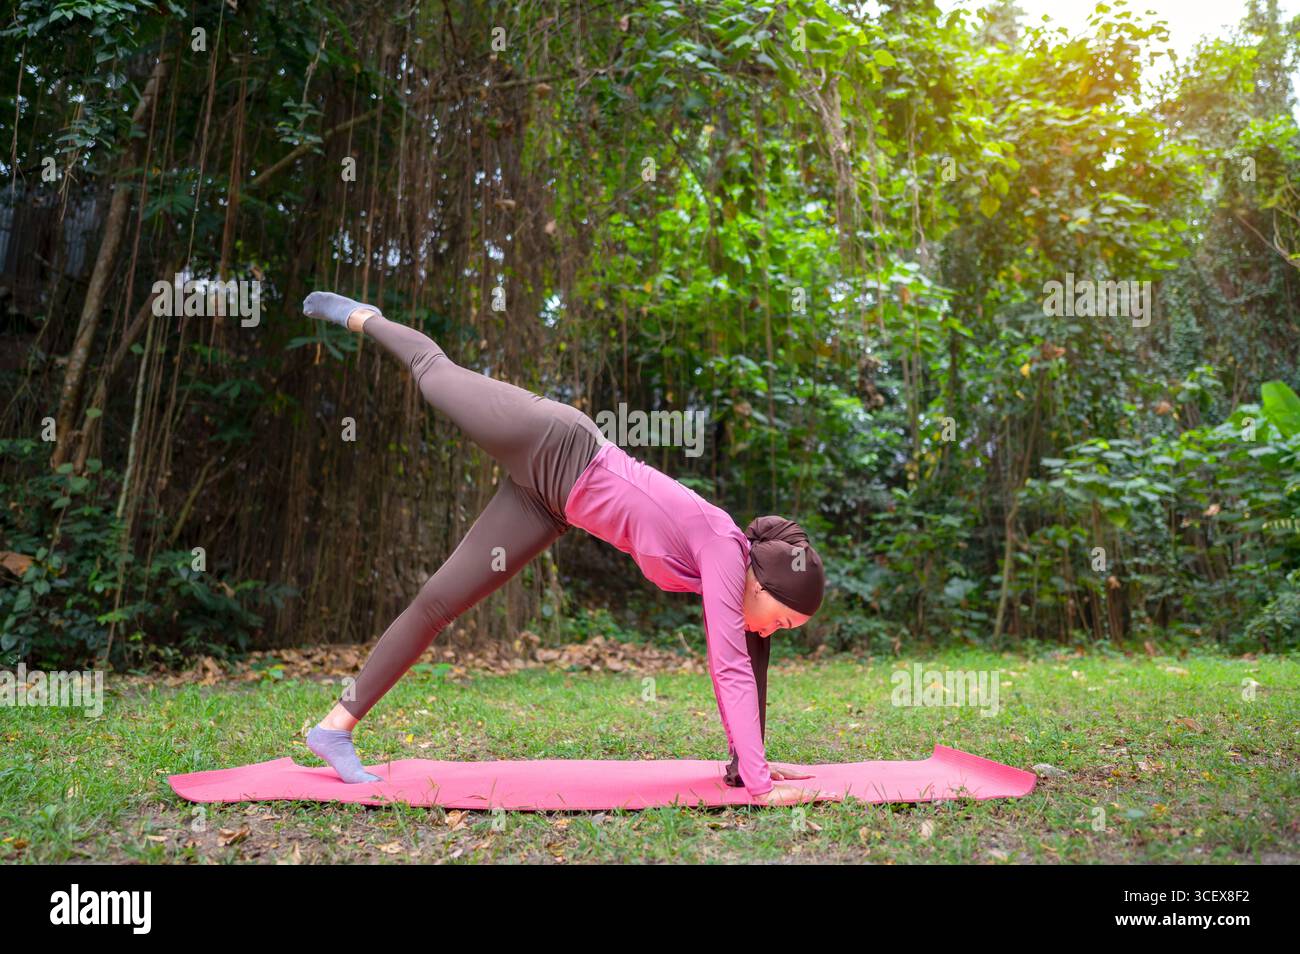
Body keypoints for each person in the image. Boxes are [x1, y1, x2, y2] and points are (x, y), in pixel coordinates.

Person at [298, 291, 826, 806]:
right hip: (555, 444)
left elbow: (747, 657)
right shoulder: (723, 549)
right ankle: (364, 317)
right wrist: (763, 788)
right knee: (435, 376)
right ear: (761, 581)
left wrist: (746, 766)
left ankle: (333, 730)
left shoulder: (732, 580)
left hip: (550, 505)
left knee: (440, 601)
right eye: (779, 620)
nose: (769, 631)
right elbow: (729, 664)